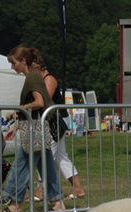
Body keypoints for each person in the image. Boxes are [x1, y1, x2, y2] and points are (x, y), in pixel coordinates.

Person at [0, 45, 64, 212]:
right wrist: (17, 123)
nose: (13, 67)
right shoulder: (34, 75)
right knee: (46, 165)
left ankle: (15, 205)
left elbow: (39, 102)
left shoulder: (32, 77)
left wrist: (18, 110)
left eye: (14, 63)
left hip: (35, 128)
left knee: (21, 165)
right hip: (35, 127)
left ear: (23, 61)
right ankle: (58, 201)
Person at [34, 58, 85, 200]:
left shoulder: (49, 79)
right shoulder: (42, 79)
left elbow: (44, 101)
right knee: (61, 156)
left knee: (47, 154)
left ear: (38, 67)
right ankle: (78, 189)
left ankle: (41, 191)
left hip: (57, 120)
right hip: (53, 120)